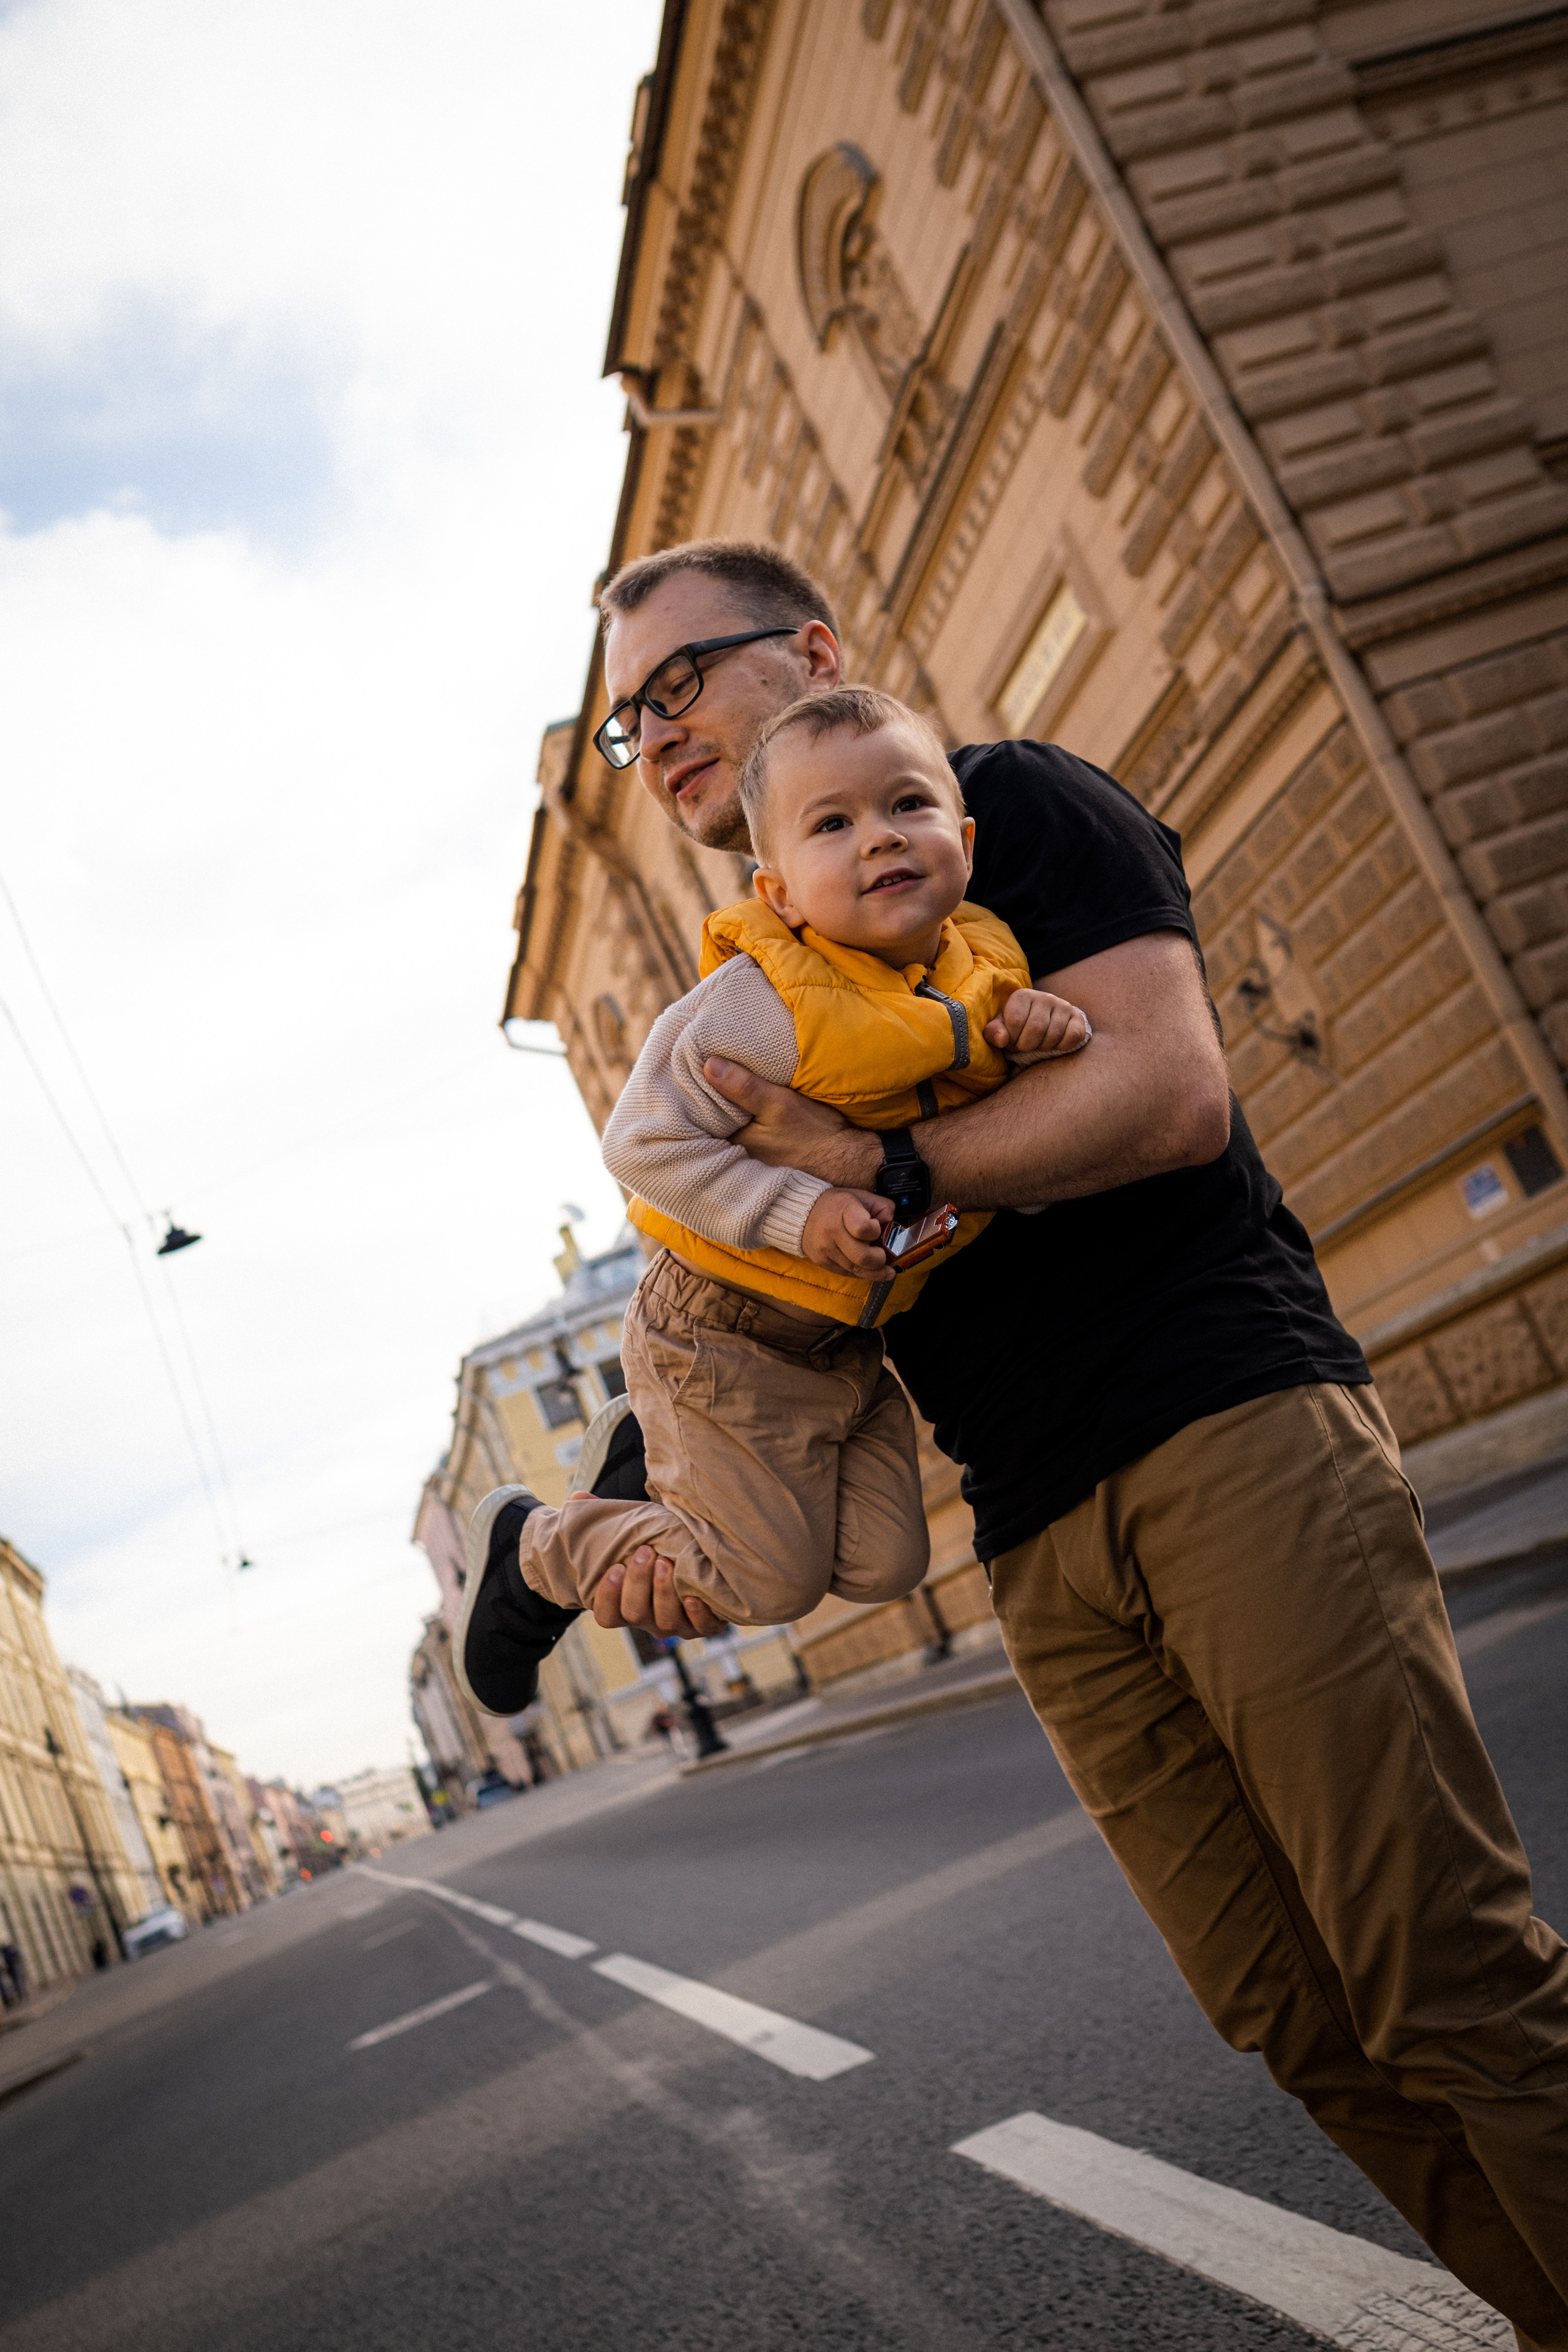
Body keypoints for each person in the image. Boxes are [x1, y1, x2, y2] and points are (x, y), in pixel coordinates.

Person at [536, 537, 1567, 2345]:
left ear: (817, 650)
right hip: (1030, 1528)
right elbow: (732, 1250)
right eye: (632, 722)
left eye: (681, 681)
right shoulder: (754, 987)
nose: (660, 733)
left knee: (1448, 1981)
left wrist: (871, 1168)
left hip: (1224, 1422)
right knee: (1292, 2015)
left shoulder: (1002, 811)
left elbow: (1165, 1093)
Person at [455, 685, 1090, 1701]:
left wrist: (1041, 1028)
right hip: (717, 1328)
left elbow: (994, 1081)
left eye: (909, 808)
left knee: (889, 1566)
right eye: (833, 826)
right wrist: (801, 1211)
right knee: (766, 1583)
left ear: (964, 839)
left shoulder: (983, 962)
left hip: (841, 1345)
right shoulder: (764, 999)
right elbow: (639, 1143)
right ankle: (539, 1545)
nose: (881, 839)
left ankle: (652, 1466)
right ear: (781, 891)